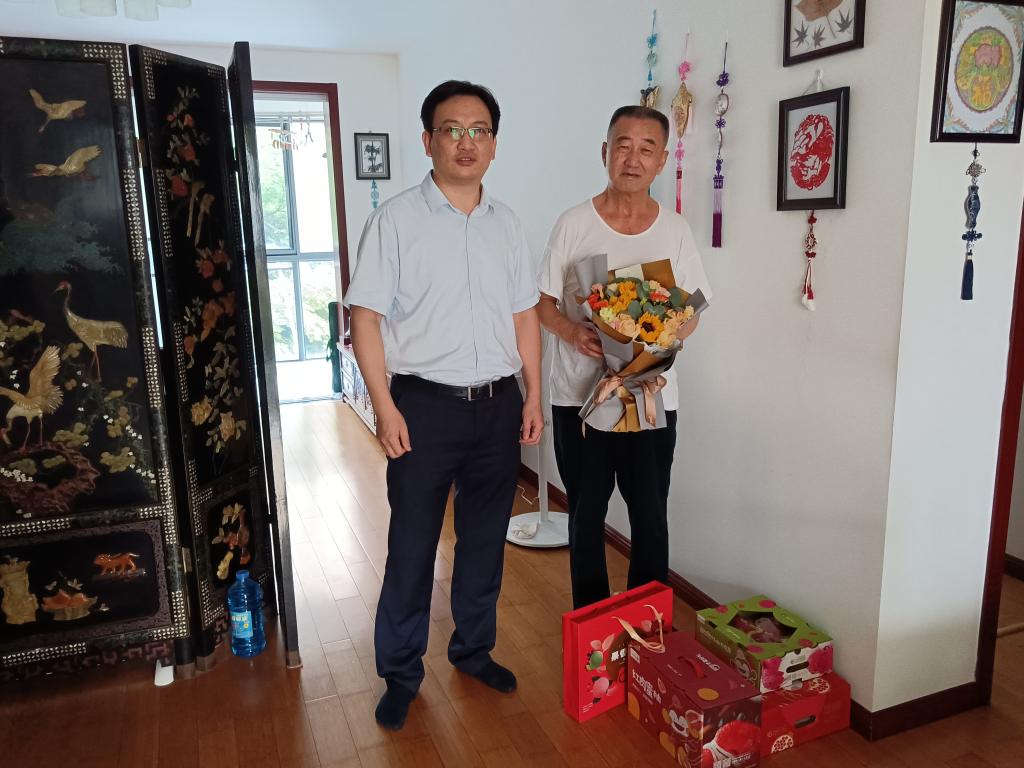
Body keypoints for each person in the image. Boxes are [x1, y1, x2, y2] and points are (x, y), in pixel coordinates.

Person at [345, 80, 543, 731]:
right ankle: (401, 673)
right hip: (424, 407)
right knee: (412, 544)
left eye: (478, 130)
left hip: (498, 405)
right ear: (428, 140)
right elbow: (365, 317)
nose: (466, 142)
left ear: (494, 143)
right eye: (452, 129)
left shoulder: (507, 224)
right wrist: (384, 407)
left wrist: (534, 394)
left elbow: (524, 315)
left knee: (484, 540)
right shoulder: (396, 221)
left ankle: (473, 650)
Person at [537, 105, 711, 609]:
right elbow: (541, 303)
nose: (633, 159)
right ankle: (593, 630)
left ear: (662, 161)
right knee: (585, 515)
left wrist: (660, 345)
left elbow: (693, 308)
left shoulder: (675, 230)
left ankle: (646, 627)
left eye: (646, 148)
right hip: (580, 399)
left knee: (651, 517)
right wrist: (573, 331)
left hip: (652, 401)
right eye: (623, 146)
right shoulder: (573, 224)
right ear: (605, 152)